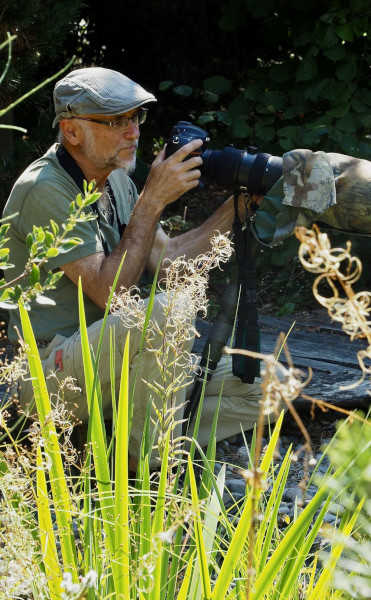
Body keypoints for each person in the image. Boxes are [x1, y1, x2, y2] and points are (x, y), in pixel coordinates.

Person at [3, 67, 281, 469]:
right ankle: (140, 470)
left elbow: (169, 263)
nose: (133, 132)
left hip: (118, 362)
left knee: (270, 387)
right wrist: (153, 199)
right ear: (72, 131)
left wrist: (242, 205)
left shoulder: (116, 179)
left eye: (136, 118)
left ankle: (113, 442)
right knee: (169, 311)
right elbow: (109, 292)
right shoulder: (45, 188)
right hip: (51, 374)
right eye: (116, 121)